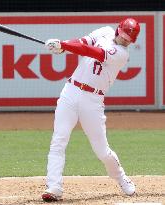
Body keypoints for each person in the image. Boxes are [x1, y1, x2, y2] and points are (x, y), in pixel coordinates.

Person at [42, 18, 140, 202]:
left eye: (129, 40)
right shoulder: (104, 30)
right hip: (70, 92)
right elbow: (82, 43)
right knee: (59, 140)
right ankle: (54, 187)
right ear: (119, 30)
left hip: (93, 100)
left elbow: (91, 51)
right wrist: (63, 47)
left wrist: (63, 45)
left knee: (102, 151)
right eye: (125, 36)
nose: (126, 41)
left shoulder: (121, 53)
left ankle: (121, 177)